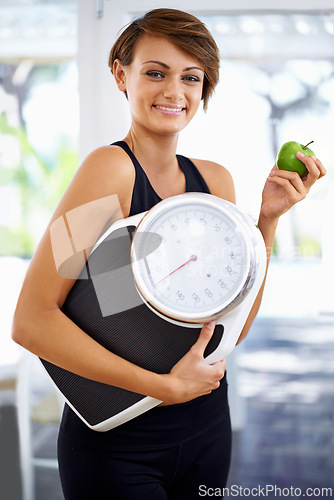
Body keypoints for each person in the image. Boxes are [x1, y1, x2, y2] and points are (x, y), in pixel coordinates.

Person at [12, 8, 326, 500]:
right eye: (155, 72)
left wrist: (268, 220)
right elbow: (32, 319)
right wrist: (163, 387)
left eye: (191, 77)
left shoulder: (215, 182)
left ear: (204, 89)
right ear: (121, 74)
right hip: (117, 441)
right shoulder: (110, 173)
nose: (174, 92)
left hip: (206, 428)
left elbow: (229, 328)